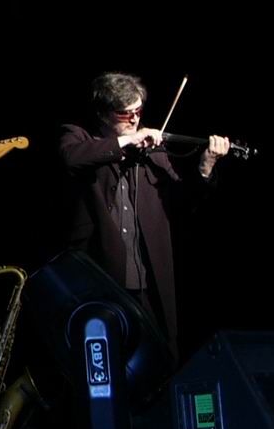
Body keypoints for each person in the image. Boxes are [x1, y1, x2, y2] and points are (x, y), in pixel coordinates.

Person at [57, 71, 230, 364]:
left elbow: (182, 204)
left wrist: (205, 168)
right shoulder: (79, 136)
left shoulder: (152, 150)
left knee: (160, 358)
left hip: (147, 279)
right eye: (126, 114)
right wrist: (126, 142)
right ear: (102, 113)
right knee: (108, 362)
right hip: (101, 277)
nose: (136, 120)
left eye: (139, 111)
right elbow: (72, 158)